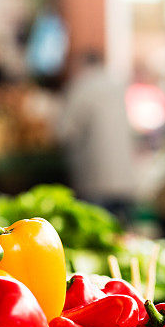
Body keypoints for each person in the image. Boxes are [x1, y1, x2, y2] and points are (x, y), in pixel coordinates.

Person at [56, 51, 137, 221]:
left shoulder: (82, 86)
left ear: (80, 65)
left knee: (96, 237)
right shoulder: (116, 85)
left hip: (96, 183)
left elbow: (64, 133)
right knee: (122, 238)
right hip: (126, 180)